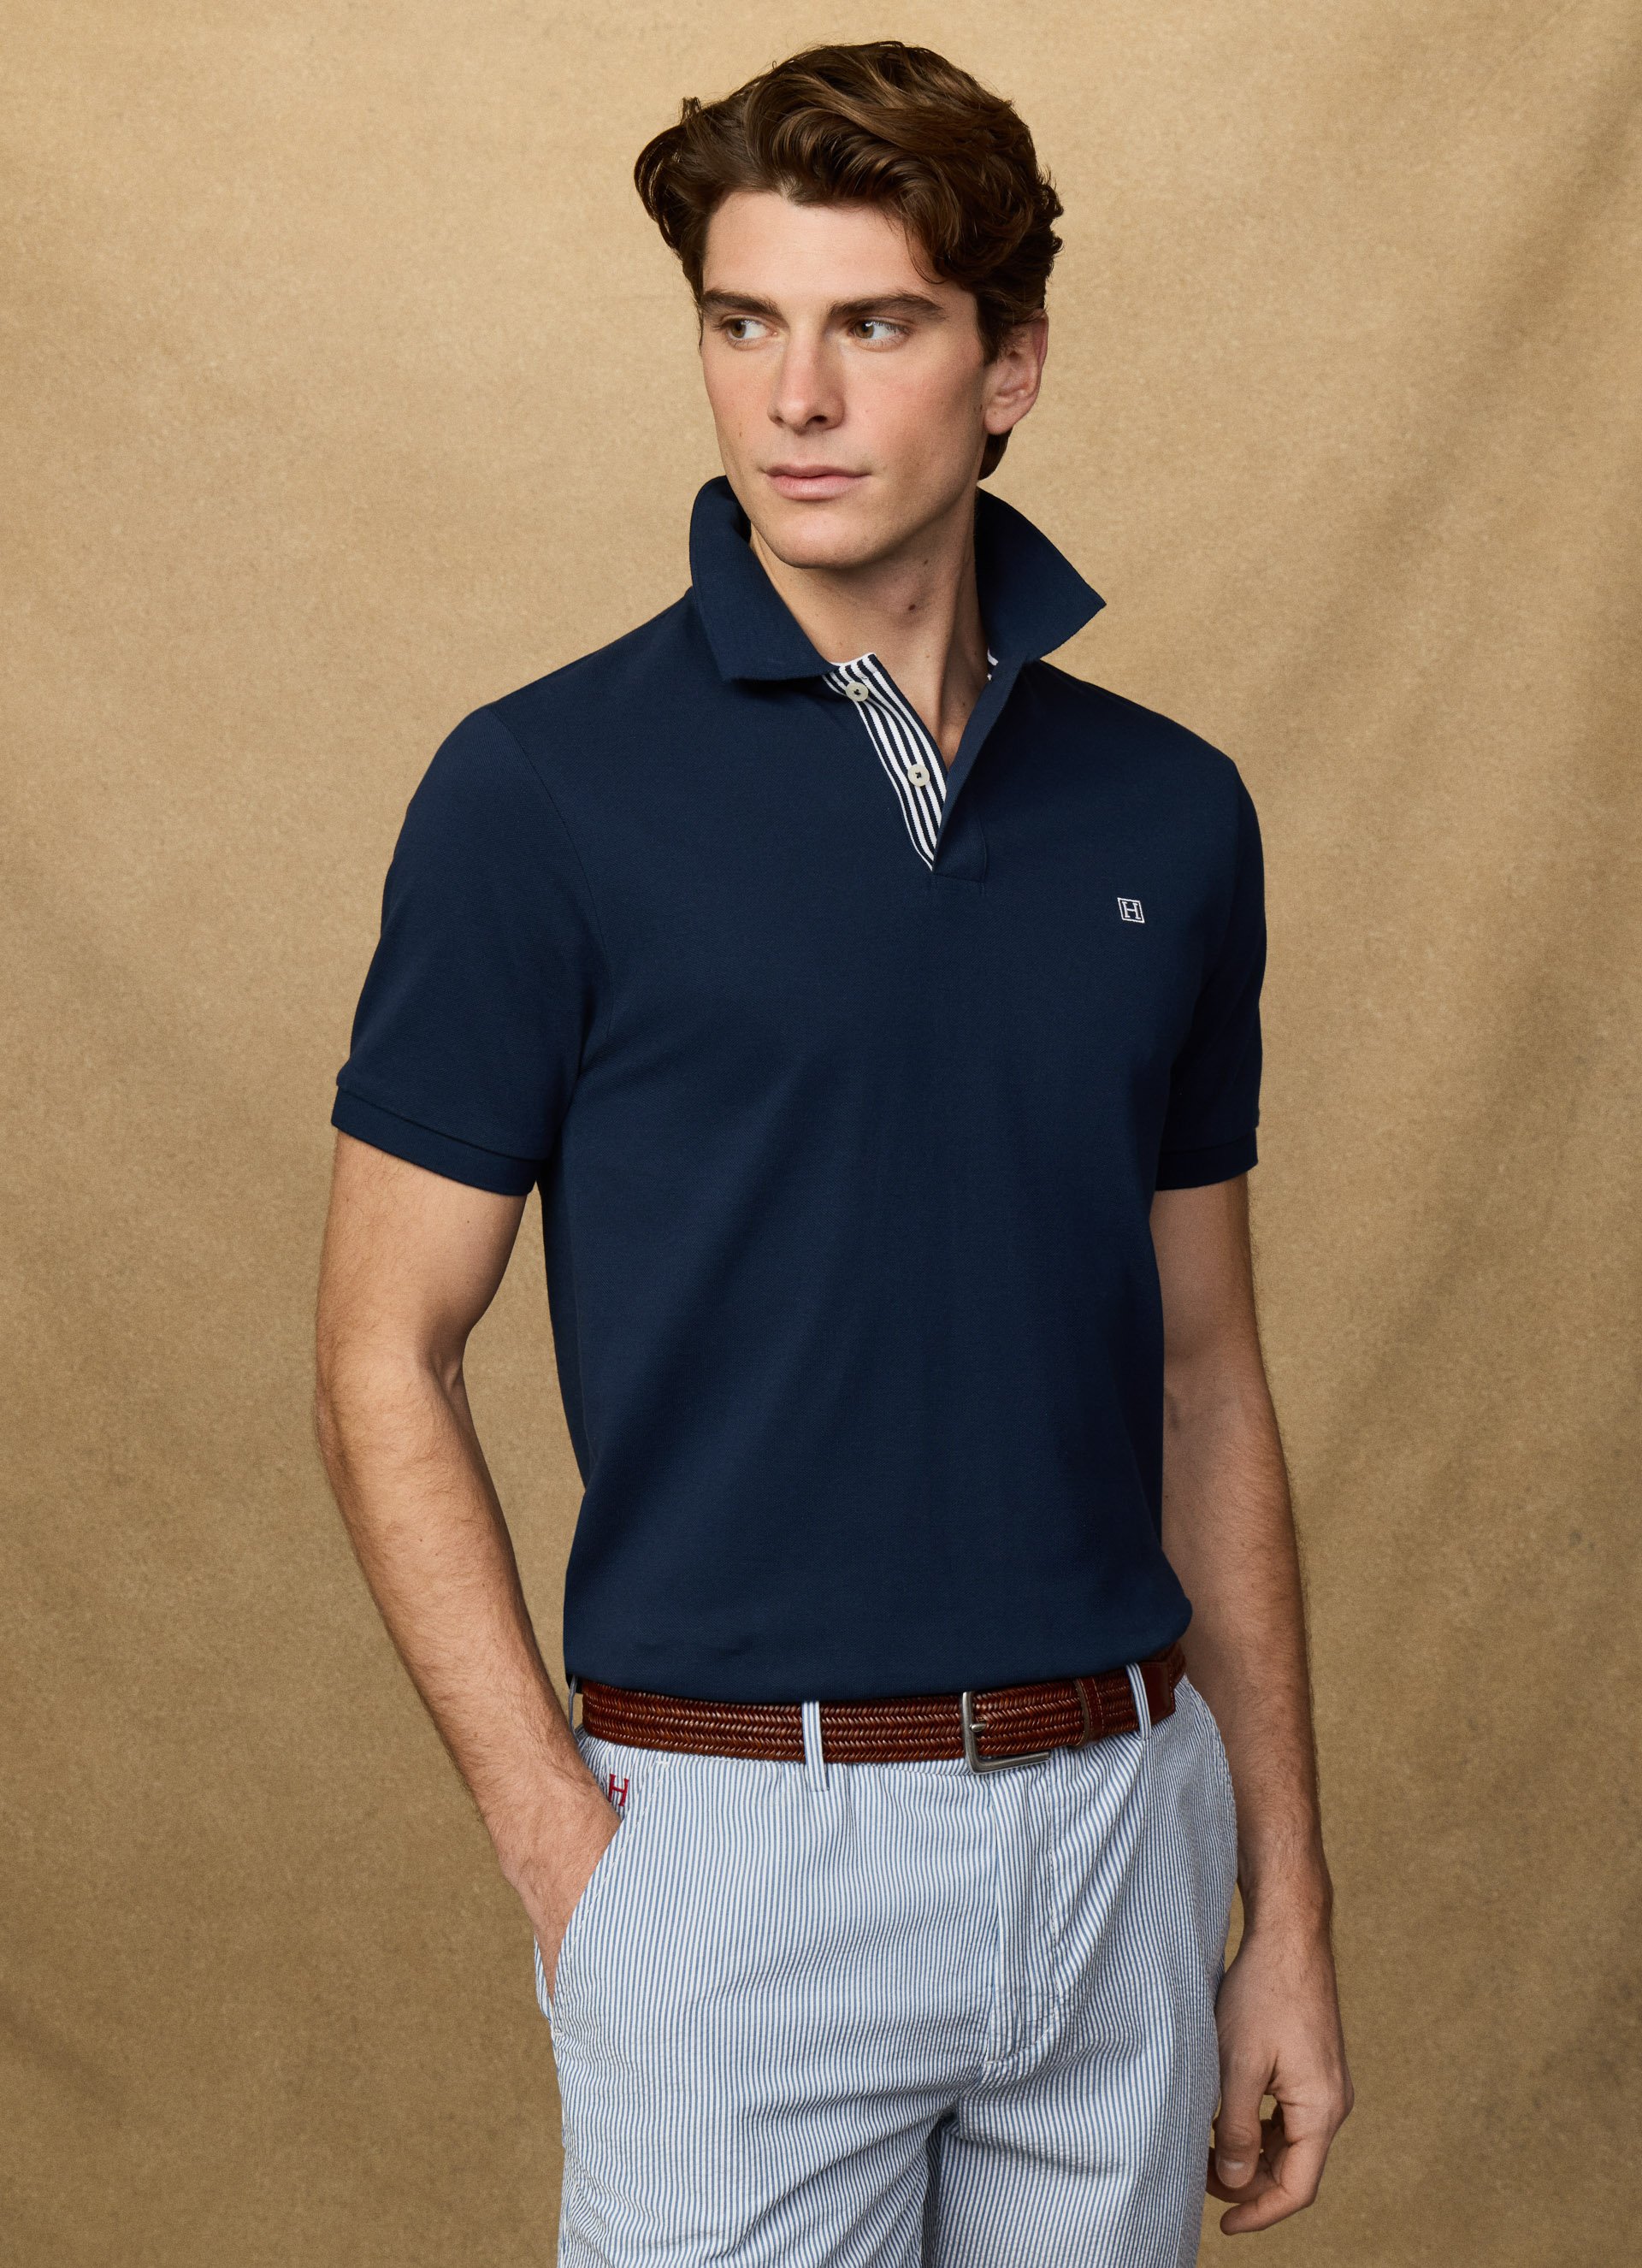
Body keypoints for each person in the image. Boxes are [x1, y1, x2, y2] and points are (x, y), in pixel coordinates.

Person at [314, 38, 1352, 2267]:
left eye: (874, 323)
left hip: (1122, 1838)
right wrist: (567, 1854)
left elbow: (1206, 1377)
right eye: (742, 321)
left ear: (1009, 366)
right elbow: (380, 1352)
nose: (793, 396)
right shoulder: (538, 795)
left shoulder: (1172, 813)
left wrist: (1283, 1903)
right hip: (736, 1854)